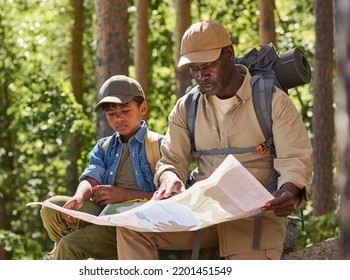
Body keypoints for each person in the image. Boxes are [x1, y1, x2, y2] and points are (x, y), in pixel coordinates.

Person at [116, 20, 313, 260]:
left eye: (208, 65)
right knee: (131, 229)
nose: (201, 75)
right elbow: (171, 160)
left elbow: (295, 159)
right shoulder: (186, 107)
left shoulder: (272, 101)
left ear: (229, 54)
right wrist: (170, 179)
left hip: (255, 219)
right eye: (194, 68)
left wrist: (288, 192)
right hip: (201, 214)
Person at [40, 75, 164, 260]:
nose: (119, 118)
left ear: (143, 108)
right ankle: (62, 253)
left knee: (70, 245)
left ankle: (64, 253)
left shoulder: (159, 145)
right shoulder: (104, 146)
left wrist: (126, 195)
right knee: (52, 208)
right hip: (104, 214)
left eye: (125, 110)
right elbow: (92, 176)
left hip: (135, 226)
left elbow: (173, 197)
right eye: (111, 114)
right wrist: (78, 197)